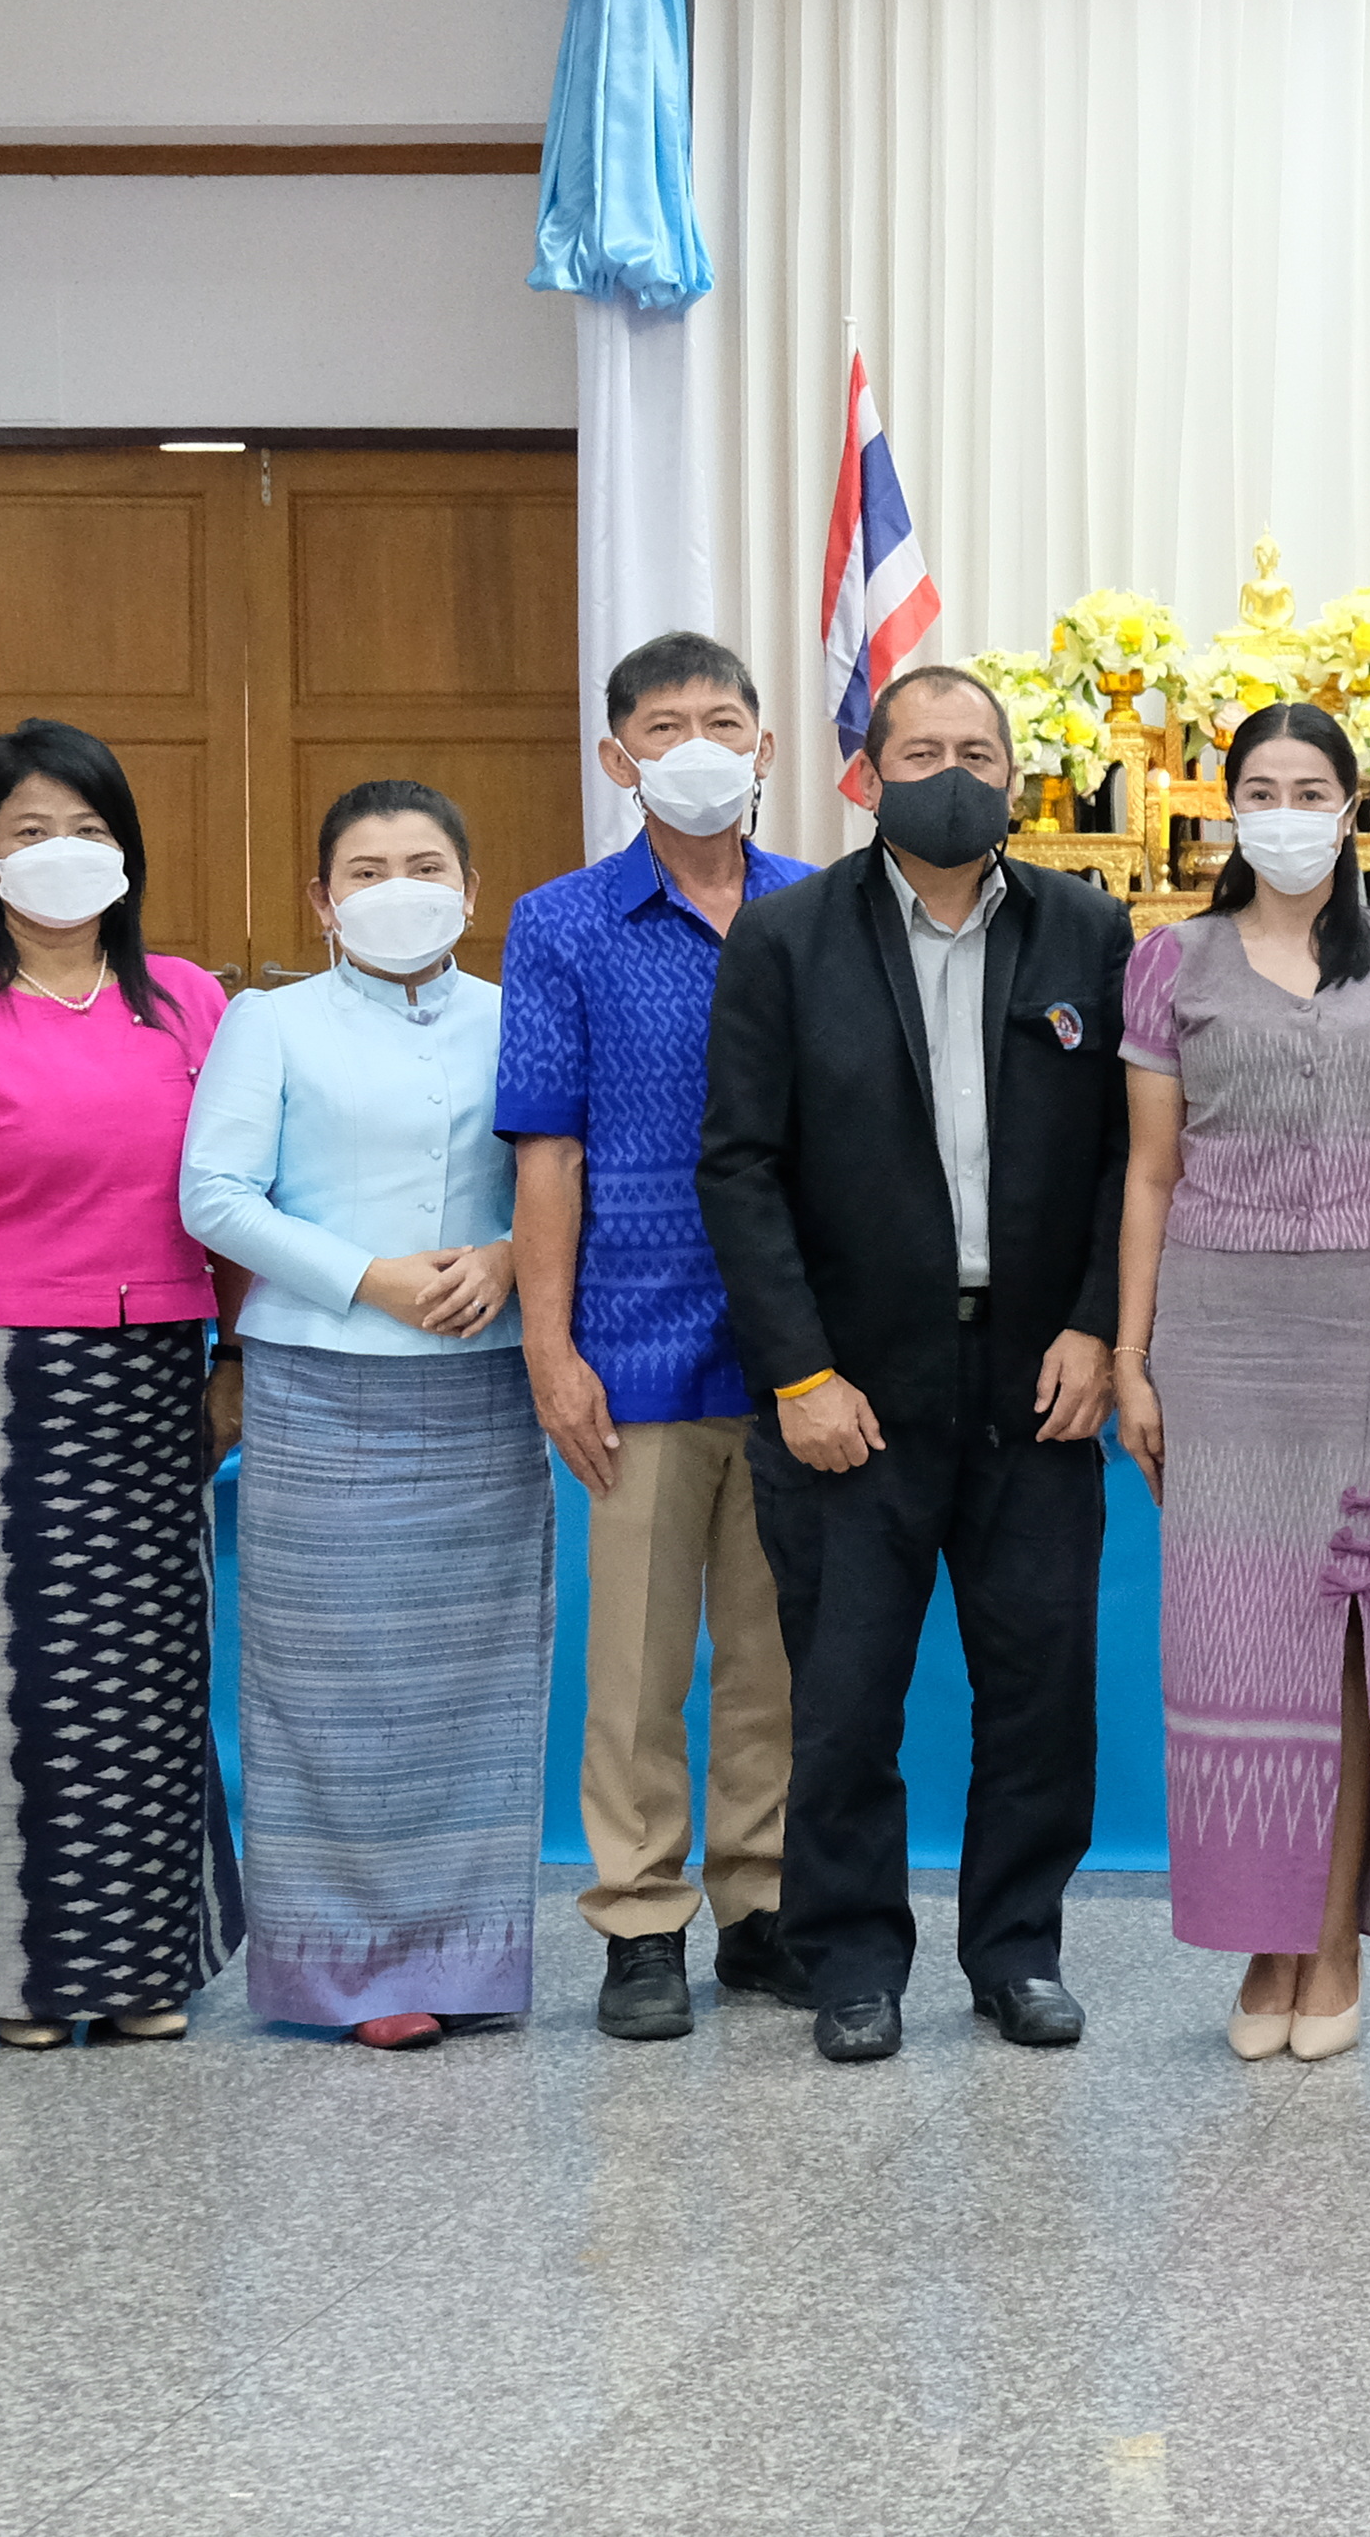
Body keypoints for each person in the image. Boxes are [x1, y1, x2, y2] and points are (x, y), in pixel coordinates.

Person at [696, 662, 1135, 2063]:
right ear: (865, 773)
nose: (955, 771)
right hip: (852, 1394)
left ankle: (1017, 1950)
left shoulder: (1093, 930)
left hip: (1037, 1381)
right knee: (843, 1696)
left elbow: (1134, 1156)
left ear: (1016, 775)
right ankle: (851, 1959)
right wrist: (801, 1374)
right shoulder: (784, 937)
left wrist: (1095, 1324)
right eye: (923, 747)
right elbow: (741, 1170)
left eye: (980, 750)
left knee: (1041, 1685)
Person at [0, 718, 242, 2045]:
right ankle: (11, 1969)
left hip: (150, 1380)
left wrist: (228, 1355)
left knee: (145, 1681)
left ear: (128, 849)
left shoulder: (192, 1001)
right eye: (28, 832)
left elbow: (231, 1197)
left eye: (86, 828)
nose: (59, 854)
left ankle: (137, 1968)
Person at [183, 780, 546, 2051]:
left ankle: (468, 1954)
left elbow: (574, 1173)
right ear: (323, 900)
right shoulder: (267, 1022)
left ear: (472, 889)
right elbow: (213, 1193)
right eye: (370, 868)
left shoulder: (524, 1016)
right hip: (322, 1386)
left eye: (428, 864)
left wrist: (504, 1254)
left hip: (485, 1387)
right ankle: (347, 1967)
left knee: (475, 1685)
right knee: (329, 1688)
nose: (401, 888)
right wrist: (367, 1275)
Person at [1114, 703, 1370, 2064]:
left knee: (1357, 1643)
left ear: (1354, 808)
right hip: (1219, 1330)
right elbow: (1146, 1171)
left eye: (1313, 787)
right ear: (1225, 807)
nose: (1288, 808)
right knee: (1231, 1644)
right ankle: (1260, 1945)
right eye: (1262, 786)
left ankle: (1326, 1944)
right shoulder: (1169, 961)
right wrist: (1132, 1357)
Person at [498, 632, 815, 2039]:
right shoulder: (560, 923)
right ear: (618, 755)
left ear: (766, 747)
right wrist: (549, 1348)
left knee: (775, 1654)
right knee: (633, 1665)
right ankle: (639, 1922)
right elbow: (547, 1152)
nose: (700, 744)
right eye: (667, 724)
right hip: (632, 1341)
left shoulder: (824, 907)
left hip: (802, 1350)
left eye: (725, 720)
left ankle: (762, 1906)